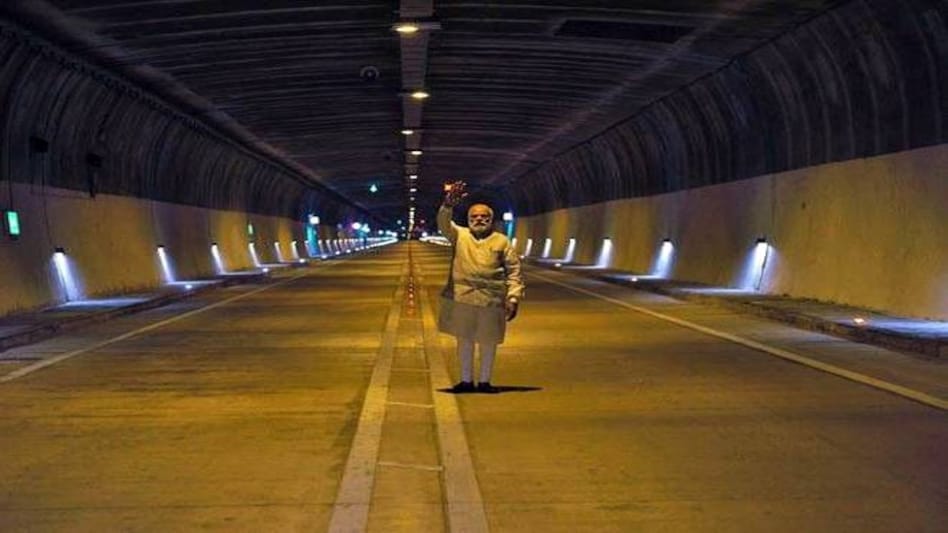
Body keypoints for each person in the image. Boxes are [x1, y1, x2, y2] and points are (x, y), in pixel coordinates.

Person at [437, 180, 524, 393]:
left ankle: (485, 381)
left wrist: (513, 298)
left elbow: (514, 271)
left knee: (488, 341)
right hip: (462, 297)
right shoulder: (459, 236)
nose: (479, 220)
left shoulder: (502, 241)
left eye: (484, 217)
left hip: (491, 299)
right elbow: (443, 223)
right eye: (474, 217)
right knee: (464, 341)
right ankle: (466, 381)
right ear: (468, 220)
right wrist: (447, 205)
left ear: (491, 220)